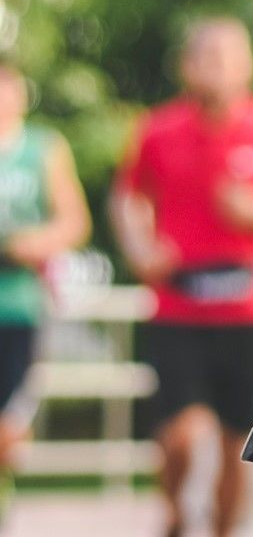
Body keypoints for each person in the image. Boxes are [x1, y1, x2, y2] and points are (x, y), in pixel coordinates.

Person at [112, 17, 253, 537]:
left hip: (243, 311)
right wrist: (139, 245)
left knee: (234, 445)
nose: (218, 66)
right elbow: (126, 197)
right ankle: (177, 513)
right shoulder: (157, 130)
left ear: (250, 65)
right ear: (187, 65)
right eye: (207, 55)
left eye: (229, 55)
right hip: (176, 307)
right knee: (180, 436)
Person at [0, 60, 92, 513]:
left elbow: (74, 222)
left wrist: (32, 244)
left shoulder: (42, 148)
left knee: (8, 429)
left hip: (20, 309)